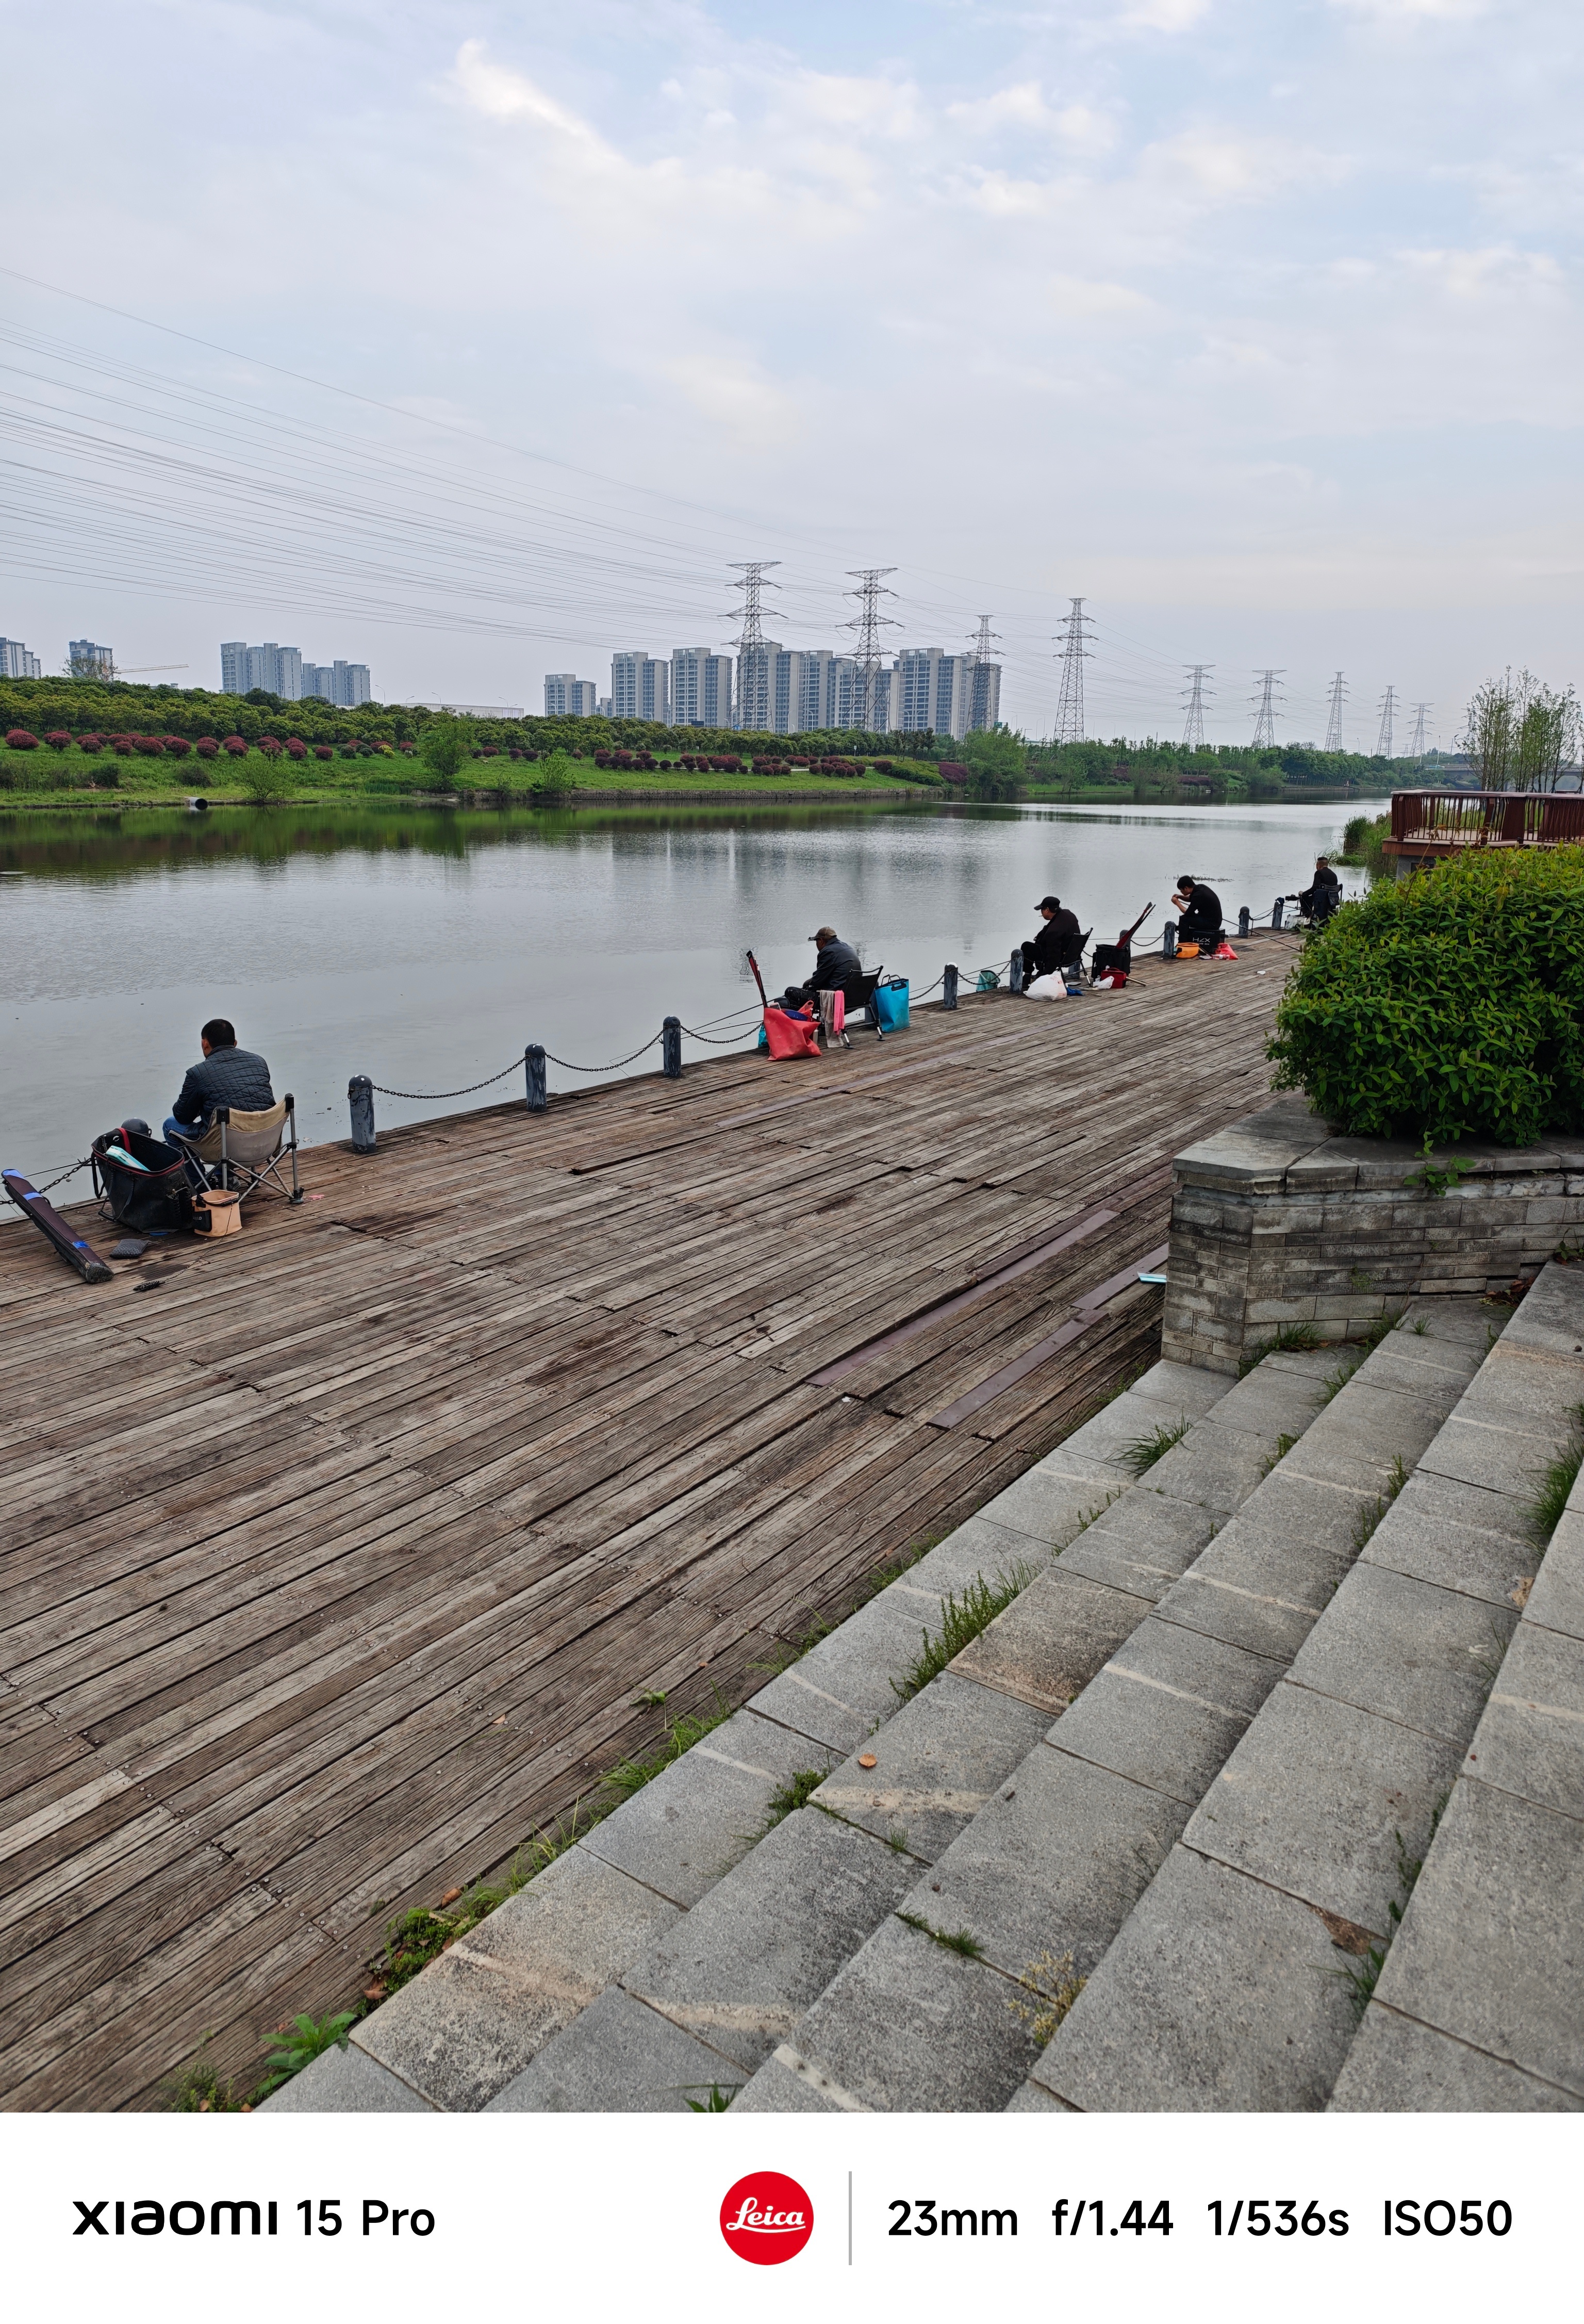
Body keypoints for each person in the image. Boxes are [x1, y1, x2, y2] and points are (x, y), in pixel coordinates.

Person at [163, 1019, 274, 1152]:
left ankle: (196, 1174)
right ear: (235, 1043)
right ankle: (223, 1173)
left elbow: (182, 1117)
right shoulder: (259, 1062)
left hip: (225, 1149)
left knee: (169, 1125)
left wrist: (199, 1105)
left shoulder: (198, 1073)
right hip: (264, 1142)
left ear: (205, 1044)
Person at [782, 926, 864, 1011]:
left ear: (821, 941)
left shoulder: (828, 952)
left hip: (835, 999)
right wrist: (811, 981)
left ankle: (800, 1020)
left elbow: (817, 982)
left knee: (790, 991)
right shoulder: (847, 947)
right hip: (853, 997)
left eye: (816, 941)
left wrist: (808, 988)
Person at [1021, 895, 1082, 989]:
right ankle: (1033, 974)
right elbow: (1055, 929)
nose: (1041, 912)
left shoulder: (1053, 932)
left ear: (1047, 910)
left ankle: (1027, 976)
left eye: (1042, 909)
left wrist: (1042, 978)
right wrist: (1042, 935)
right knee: (1037, 943)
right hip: (1074, 954)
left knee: (1026, 947)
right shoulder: (1068, 914)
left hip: (1062, 958)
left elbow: (1053, 959)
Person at [1170, 874, 1223, 952]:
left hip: (1212, 923)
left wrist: (1177, 903)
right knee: (1185, 922)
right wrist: (1180, 897)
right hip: (1211, 919)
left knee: (1184, 919)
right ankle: (1185, 942)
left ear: (1186, 888)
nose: (1181, 892)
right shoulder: (1200, 888)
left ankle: (1182, 945)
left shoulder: (1198, 895)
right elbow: (1191, 898)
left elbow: (1188, 913)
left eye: (1181, 890)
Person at [1291, 858, 1342, 926]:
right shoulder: (1334, 875)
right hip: (1332, 900)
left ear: (1318, 865)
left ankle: (1309, 917)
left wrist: (1303, 894)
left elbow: (1314, 888)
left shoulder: (1319, 873)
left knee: (1303, 898)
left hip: (1321, 900)